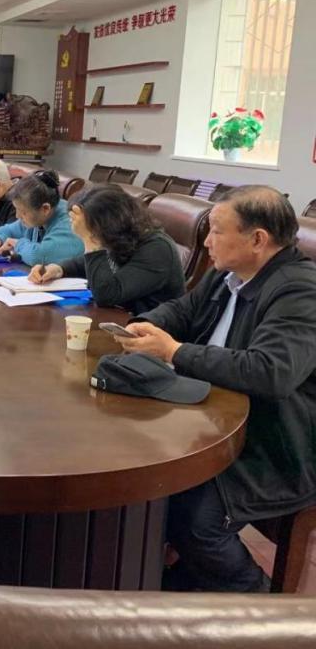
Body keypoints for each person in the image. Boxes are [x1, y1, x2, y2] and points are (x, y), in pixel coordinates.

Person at [114, 186, 316, 593]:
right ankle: (163, 578)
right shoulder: (229, 274)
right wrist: (147, 324)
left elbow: (270, 373)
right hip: (213, 416)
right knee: (133, 461)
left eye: (217, 231)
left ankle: (260, 605)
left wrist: (173, 351)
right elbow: (183, 310)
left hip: (275, 442)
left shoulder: (299, 291)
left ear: (257, 239)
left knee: (193, 518)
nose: (206, 242)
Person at [28, 185, 185, 313]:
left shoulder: (157, 249)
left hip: (149, 330)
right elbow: (87, 263)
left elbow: (107, 295)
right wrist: (58, 268)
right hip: (118, 319)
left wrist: (89, 239)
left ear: (109, 222)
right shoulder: (122, 234)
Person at [0, 169, 83, 265]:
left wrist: (18, 244)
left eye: (23, 212)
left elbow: (38, 256)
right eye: (17, 209)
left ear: (45, 209)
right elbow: (8, 230)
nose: (17, 216)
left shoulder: (70, 222)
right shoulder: (37, 216)